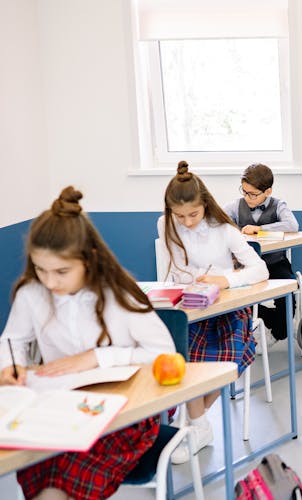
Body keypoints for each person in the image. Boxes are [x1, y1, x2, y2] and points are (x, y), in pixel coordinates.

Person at [0, 187, 176, 500]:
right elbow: (12, 340)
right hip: (55, 411)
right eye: (40, 270)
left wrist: (97, 357)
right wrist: (8, 365)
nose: (50, 282)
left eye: (61, 272)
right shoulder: (32, 294)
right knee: (47, 475)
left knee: (57, 479)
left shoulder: (118, 294)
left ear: (89, 259)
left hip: (123, 416)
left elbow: (164, 353)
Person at [159, 161, 268, 463]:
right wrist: (186, 282)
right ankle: (198, 424)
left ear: (205, 205)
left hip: (227, 309)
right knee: (183, 356)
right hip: (189, 307)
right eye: (179, 216)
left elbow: (260, 270)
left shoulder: (224, 230)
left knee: (223, 358)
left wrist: (226, 279)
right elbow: (175, 271)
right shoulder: (166, 224)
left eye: (193, 214)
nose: (187, 221)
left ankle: (194, 420)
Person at [224, 163, 299, 341]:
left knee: (288, 292)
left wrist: (259, 229)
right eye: (244, 191)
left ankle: (279, 331)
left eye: (253, 194)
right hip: (247, 267)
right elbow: (218, 220)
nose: (248, 197)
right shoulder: (236, 205)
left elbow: (292, 225)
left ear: (268, 191)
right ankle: (268, 319)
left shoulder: (278, 204)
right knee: (236, 297)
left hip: (275, 263)